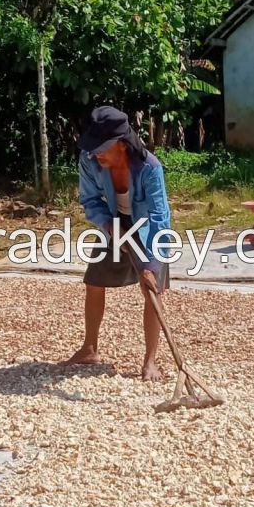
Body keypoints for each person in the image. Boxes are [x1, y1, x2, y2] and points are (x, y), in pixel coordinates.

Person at [64, 106, 172, 382]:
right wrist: (112, 228)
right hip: (111, 223)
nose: (95, 152)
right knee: (94, 283)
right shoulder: (90, 161)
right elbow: (90, 200)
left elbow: (160, 217)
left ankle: (150, 361)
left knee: (152, 291)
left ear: (121, 144)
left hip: (149, 230)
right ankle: (90, 349)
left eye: (102, 147)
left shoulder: (150, 168)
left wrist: (150, 264)